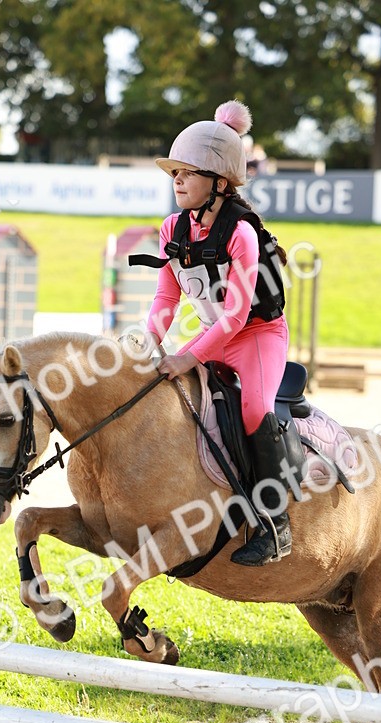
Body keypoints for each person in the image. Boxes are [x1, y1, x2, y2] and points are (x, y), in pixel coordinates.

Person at [141, 99, 292, 567]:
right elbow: (167, 299)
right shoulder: (173, 227)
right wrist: (150, 341)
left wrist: (188, 356)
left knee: (253, 409)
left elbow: (237, 313)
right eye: (175, 174)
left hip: (257, 334)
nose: (178, 181)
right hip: (213, 335)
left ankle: (277, 523)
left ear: (220, 184)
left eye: (188, 173)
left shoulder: (241, 233)